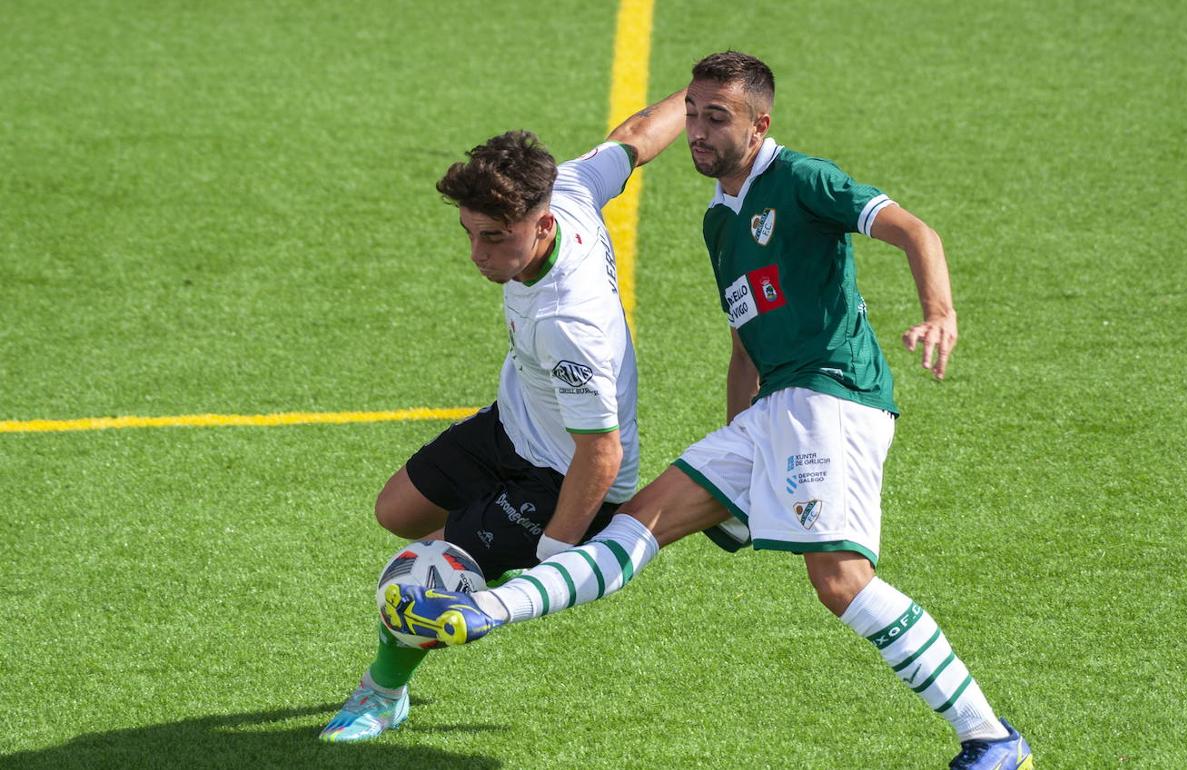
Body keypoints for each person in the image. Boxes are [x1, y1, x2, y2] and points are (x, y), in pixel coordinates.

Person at [386, 52, 1032, 769]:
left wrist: (937, 312)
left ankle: (992, 739)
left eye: (715, 117)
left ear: (760, 124)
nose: (696, 130)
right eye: (692, 113)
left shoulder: (802, 179)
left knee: (840, 582)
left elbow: (916, 231)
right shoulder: (720, 222)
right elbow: (744, 344)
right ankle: (483, 610)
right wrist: (740, 444)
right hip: (768, 413)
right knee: (633, 528)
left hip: (831, 396)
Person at [319, 89, 688, 743]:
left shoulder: (569, 322)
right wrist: (706, 92)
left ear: (541, 227)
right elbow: (635, 136)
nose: (477, 254)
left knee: (429, 577)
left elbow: (599, 453)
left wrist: (555, 550)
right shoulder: (568, 187)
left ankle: (382, 692)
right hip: (514, 423)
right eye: (469, 233)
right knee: (397, 514)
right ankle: (460, 558)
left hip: (565, 478)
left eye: (495, 238)